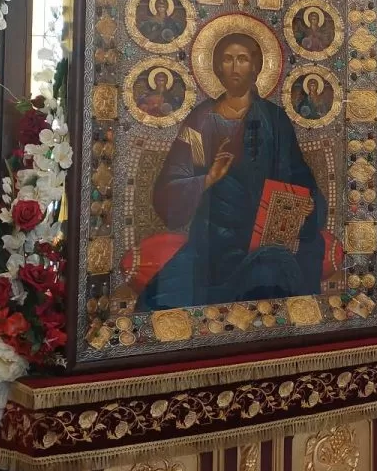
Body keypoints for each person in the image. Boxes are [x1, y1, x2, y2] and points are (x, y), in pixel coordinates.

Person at [139, 33, 326, 308]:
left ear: (256, 67)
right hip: (214, 241)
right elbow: (170, 186)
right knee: (156, 304)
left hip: (267, 240)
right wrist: (208, 179)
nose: (235, 67)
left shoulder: (274, 120)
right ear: (217, 67)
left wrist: (309, 203)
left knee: (272, 278)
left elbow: (299, 177)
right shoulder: (201, 121)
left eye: (242, 59)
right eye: (227, 59)